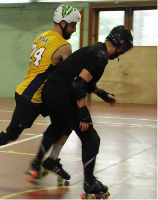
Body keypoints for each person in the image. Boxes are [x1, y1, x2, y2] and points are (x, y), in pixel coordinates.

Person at [0, 5, 81, 181]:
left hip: (39, 95)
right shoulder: (64, 46)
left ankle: (52, 160)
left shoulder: (41, 37)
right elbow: (70, 75)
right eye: (72, 25)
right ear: (63, 23)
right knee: (11, 134)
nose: (74, 30)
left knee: (67, 122)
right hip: (31, 97)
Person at [28, 25, 133, 197]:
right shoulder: (101, 56)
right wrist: (82, 111)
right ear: (121, 45)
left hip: (51, 92)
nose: (122, 53)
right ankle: (89, 182)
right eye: (124, 50)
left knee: (60, 126)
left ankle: (39, 162)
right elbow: (79, 84)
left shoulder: (96, 49)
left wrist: (103, 94)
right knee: (91, 138)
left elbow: (86, 81)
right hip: (61, 94)